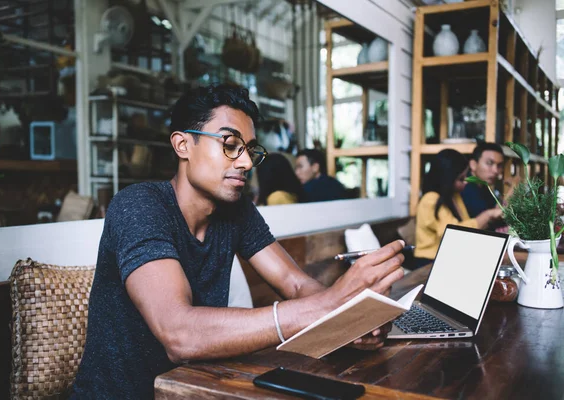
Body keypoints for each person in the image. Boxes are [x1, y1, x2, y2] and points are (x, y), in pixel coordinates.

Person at [71, 85, 406, 399]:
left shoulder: (236, 209)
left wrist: (351, 319)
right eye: (230, 145)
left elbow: (294, 282)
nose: (245, 162)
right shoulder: (140, 206)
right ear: (182, 145)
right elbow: (179, 333)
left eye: (249, 150)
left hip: (199, 388)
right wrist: (328, 305)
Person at [413, 149, 502, 269]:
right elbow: (454, 234)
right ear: (447, 179)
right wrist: (487, 215)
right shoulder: (430, 200)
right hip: (428, 262)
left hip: (445, 258)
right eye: (461, 179)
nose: (466, 182)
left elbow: (464, 226)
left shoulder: (454, 196)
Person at [461, 142, 505, 218]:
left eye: (499, 165)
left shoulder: (483, 185)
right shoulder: (465, 186)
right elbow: (490, 220)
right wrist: (512, 190)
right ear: (473, 164)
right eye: (489, 163)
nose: (495, 170)